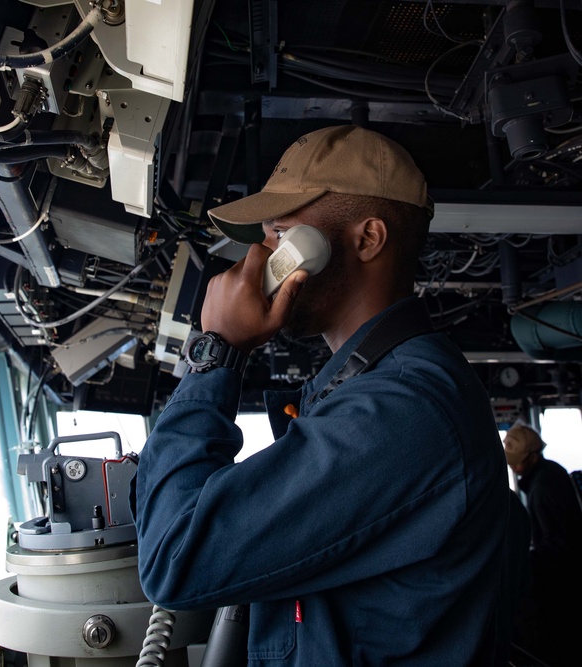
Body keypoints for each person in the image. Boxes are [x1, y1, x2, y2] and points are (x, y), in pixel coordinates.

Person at [131, 125, 529, 665]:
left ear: (368, 239)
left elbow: (175, 559)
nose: (261, 258)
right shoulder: (374, 388)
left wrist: (216, 352)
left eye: (281, 234)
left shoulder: (403, 409)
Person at [503, 423, 582, 667]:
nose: (515, 468)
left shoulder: (542, 489)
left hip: (563, 579)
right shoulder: (552, 471)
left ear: (530, 458)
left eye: (516, 463)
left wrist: (523, 563)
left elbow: (556, 545)